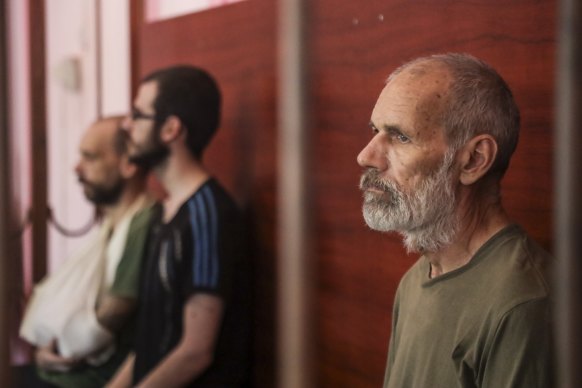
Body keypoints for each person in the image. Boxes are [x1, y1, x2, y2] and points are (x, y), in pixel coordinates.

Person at [357, 53, 553, 388]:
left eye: (400, 136)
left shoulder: (524, 304)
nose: (366, 156)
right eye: (375, 130)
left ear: (474, 160)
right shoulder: (416, 279)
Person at [108, 65, 251, 387]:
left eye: (137, 114)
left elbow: (195, 351)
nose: (126, 125)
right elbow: (149, 342)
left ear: (171, 129)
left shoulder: (208, 214)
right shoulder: (165, 211)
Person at [19, 116, 154, 387]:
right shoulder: (113, 225)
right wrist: (45, 352)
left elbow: (116, 310)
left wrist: (58, 350)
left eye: (90, 158)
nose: (77, 168)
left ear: (127, 164)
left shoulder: (144, 222)